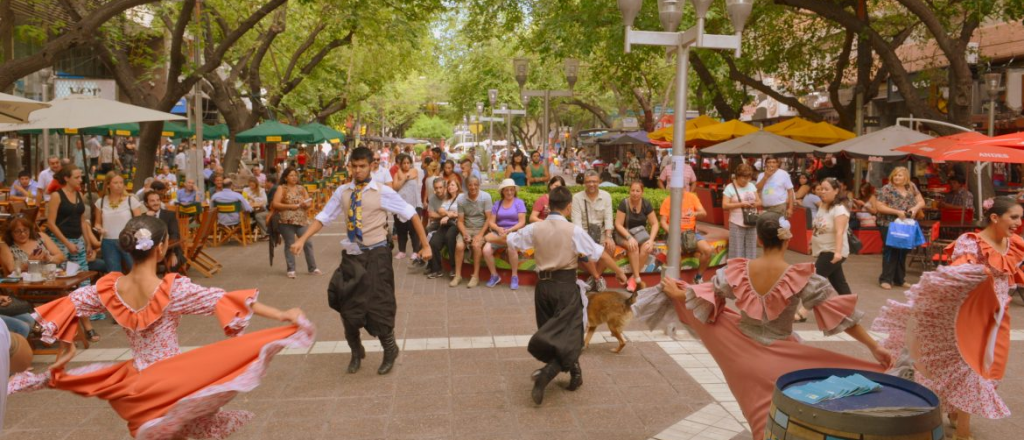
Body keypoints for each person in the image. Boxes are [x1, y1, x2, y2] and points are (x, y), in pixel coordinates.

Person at [7, 215, 312, 438]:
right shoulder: (171, 289)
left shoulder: (108, 289)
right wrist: (282, 314)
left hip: (139, 384)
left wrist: (66, 346)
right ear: (162, 247)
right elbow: (225, 299)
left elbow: (68, 305)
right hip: (173, 380)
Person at [655, 212, 892, 437]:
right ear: (787, 238)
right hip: (783, 359)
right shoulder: (802, 277)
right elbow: (843, 318)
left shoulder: (736, 271)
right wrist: (874, 346)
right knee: (779, 420)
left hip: (740, 354)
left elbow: (706, 299)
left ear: (759, 239)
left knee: (758, 420)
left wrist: (678, 294)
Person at [875, 196, 1023, 440]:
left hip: (997, 316)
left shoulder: (1014, 243)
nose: (1018, 222)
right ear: (995, 218)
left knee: (990, 367)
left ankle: (955, 412)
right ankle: (962, 432)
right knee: (971, 367)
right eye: (1014, 217)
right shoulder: (970, 242)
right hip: (967, 315)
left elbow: (1009, 277)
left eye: (1020, 217)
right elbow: (955, 278)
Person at [291, 146, 430, 375]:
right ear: (349, 166)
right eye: (354, 166)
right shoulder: (343, 192)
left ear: (371, 166)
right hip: (353, 255)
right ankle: (356, 351)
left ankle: (390, 348)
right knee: (345, 301)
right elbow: (324, 217)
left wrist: (425, 245)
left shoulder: (383, 192)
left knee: (379, 304)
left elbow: (411, 213)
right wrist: (302, 239)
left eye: (362, 166)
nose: (358, 170)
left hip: (377, 254)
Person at [502, 186, 627, 404]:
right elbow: (599, 254)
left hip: (543, 289)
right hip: (565, 288)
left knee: (552, 334)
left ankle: (575, 374)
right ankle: (547, 374)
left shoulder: (535, 228)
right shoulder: (574, 231)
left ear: (548, 205)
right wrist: (620, 272)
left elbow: (511, 240)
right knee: (573, 337)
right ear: (569, 207)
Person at [45, 166, 101, 342]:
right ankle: (74, 325)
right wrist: (66, 243)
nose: (80, 180)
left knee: (82, 282)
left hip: (77, 240)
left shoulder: (78, 194)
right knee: (65, 283)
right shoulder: (57, 196)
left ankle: (87, 325)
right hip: (60, 242)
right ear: (66, 178)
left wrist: (87, 242)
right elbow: (51, 223)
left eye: (80, 177)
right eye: (77, 177)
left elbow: (82, 220)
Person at [875, 166, 925, 290]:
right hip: (888, 223)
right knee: (891, 249)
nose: (896, 177)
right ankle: (885, 279)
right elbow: (879, 206)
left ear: (906, 177)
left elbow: (921, 201)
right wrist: (897, 212)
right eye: (895, 175)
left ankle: (899, 279)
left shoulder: (911, 187)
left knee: (903, 249)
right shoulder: (886, 189)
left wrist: (915, 208)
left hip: (905, 224)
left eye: (900, 175)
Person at [271, 168, 318, 279]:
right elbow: (275, 204)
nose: (294, 177)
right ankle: (291, 269)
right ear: (286, 177)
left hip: (302, 220)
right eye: (291, 175)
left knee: (307, 242)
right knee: (290, 244)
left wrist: (306, 204)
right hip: (286, 221)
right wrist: (290, 206)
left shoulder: (301, 188)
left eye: (295, 175)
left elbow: (309, 202)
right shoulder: (281, 188)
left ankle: (313, 268)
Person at [660, 183, 712, 283]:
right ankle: (678, 280)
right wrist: (673, 232)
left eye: (682, 188)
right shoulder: (668, 201)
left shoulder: (692, 197)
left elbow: (703, 213)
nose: (680, 190)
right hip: (674, 233)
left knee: (708, 250)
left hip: (691, 233)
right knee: (676, 252)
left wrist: (695, 213)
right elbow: (663, 222)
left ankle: (698, 277)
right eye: (676, 188)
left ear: (685, 188)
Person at [94, 172, 143, 274]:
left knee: (135, 270)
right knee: (113, 273)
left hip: (128, 240)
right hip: (108, 241)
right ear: (108, 185)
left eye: (121, 182)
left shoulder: (131, 200)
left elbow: (139, 222)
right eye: (115, 183)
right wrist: (99, 229)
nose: (119, 185)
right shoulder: (100, 202)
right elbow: (97, 223)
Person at [614, 181, 659, 292]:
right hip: (624, 234)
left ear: (642, 192)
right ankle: (637, 279)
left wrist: (651, 240)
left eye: (638, 191)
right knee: (633, 247)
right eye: (633, 190)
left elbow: (655, 223)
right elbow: (618, 224)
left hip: (639, 234)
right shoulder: (624, 203)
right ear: (629, 191)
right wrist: (629, 238)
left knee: (647, 247)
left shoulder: (646, 204)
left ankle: (633, 278)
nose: (635, 193)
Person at [482, 179, 527, 289]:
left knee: (511, 247)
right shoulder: (497, 204)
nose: (509, 192)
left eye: (511, 190)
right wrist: (498, 228)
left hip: (514, 232)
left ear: (514, 190)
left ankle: (514, 276)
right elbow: (491, 222)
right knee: (486, 250)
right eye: (507, 190)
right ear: (502, 191)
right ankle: (494, 275)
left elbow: (522, 222)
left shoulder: (519, 203)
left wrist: (510, 229)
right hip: (499, 233)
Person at [572, 171, 616, 280]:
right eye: (588, 182)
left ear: (599, 181)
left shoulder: (606, 196)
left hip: (601, 233)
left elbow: (608, 218)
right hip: (583, 234)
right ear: (584, 183)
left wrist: (608, 237)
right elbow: (576, 223)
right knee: (582, 250)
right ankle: (597, 278)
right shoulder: (577, 198)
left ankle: (594, 278)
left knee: (611, 248)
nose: (591, 184)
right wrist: (585, 241)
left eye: (594, 181)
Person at [450, 176, 492, 288]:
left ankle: (475, 276)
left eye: (476, 184)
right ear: (466, 186)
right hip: (467, 227)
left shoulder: (486, 197)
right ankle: (457, 275)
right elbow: (460, 221)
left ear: (479, 185)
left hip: (481, 228)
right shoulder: (461, 199)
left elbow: (489, 219)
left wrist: (480, 235)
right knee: (459, 246)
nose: (473, 187)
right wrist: (465, 234)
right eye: (470, 185)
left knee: (476, 246)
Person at [0, 216, 65, 277]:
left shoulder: (41, 236)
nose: (23, 234)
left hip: (49, 279)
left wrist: (49, 258)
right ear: (10, 233)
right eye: (17, 231)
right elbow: (11, 268)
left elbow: (61, 257)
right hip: (24, 283)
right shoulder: (5, 245)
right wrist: (29, 263)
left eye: (25, 230)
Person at [722, 163, 761, 260]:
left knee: (751, 249)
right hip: (736, 222)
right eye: (743, 178)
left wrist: (754, 204)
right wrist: (740, 204)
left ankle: (749, 267)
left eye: (748, 178)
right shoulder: (730, 187)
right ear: (737, 176)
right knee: (737, 249)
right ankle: (736, 268)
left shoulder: (751, 186)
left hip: (752, 221)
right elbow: (725, 205)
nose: (746, 180)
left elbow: (759, 201)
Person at [141, 190, 183, 272]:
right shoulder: (143, 217)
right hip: (149, 251)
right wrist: (147, 217)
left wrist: (173, 253)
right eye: (152, 201)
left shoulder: (169, 215)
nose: (156, 203)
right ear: (146, 203)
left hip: (169, 249)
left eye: (158, 200)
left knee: (173, 266)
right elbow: (141, 236)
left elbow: (175, 235)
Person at [392, 154, 423, 263]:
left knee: (414, 229)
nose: (406, 165)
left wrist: (402, 176)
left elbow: (409, 176)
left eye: (408, 163)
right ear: (400, 164)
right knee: (401, 229)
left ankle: (415, 251)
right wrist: (404, 177)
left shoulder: (414, 171)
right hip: (400, 205)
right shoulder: (397, 174)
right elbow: (395, 187)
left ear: (411, 164)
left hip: (414, 204)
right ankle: (402, 250)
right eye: (404, 163)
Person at [424, 178, 455, 279]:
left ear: (445, 187)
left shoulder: (450, 195)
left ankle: (453, 268)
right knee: (429, 236)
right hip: (440, 223)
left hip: (452, 223)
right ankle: (434, 267)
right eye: (436, 188)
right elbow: (431, 215)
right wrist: (445, 214)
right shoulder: (432, 198)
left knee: (449, 238)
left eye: (440, 187)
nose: (438, 190)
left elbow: (456, 213)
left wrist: (445, 215)